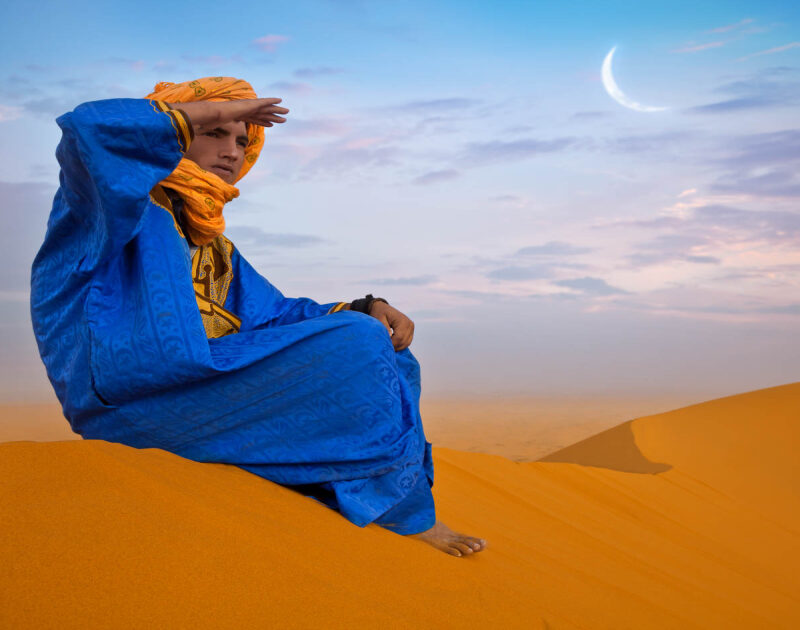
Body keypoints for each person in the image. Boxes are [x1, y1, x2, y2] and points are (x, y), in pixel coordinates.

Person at [31, 76, 486, 557]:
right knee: (358, 341)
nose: (232, 151)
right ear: (179, 130)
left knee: (384, 347)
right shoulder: (108, 207)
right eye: (215, 133)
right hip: (128, 404)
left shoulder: (213, 245)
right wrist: (205, 111)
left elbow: (275, 317)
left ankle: (380, 501)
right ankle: (385, 512)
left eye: (243, 141)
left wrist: (367, 307)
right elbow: (86, 129)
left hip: (200, 394)